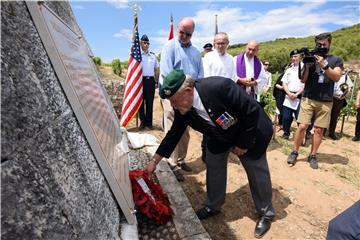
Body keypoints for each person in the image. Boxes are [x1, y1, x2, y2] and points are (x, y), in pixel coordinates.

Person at [146, 69, 275, 238]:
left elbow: (251, 111)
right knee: (213, 163)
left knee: (256, 170)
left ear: (188, 91)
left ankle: (266, 212)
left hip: (250, 131)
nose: (174, 106)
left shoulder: (219, 87)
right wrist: (155, 161)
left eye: (174, 101)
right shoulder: (182, 107)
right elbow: (174, 133)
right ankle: (213, 205)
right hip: (220, 135)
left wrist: (243, 144)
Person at [287, 32, 343, 169]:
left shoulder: (336, 60)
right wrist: (306, 65)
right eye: (319, 44)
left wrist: (324, 65)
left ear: (330, 43)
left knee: (318, 130)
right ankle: (295, 151)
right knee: (302, 126)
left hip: (326, 100)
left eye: (324, 44)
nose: (322, 46)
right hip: (308, 98)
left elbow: (336, 77)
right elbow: (303, 79)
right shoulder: (310, 59)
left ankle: (313, 155)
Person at [159, 17, 204, 181]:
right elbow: (166, 73)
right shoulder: (169, 47)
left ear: (192, 34)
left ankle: (181, 159)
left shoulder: (196, 52)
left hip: (189, 97)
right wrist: (180, 93)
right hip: (173, 96)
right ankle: (172, 164)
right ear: (177, 29)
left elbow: (200, 75)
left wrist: (192, 91)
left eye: (188, 34)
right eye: (182, 32)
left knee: (185, 130)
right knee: (172, 129)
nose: (184, 36)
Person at [201, 32, 237, 162]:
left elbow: (233, 78)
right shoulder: (208, 57)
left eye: (223, 43)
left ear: (227, 43)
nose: (220, 45)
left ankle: (223, 151)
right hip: (211, 97)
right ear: (214, 43)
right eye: (218, 43)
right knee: (209, 125)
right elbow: (205, 77)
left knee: (225, 124)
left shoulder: (231, 58)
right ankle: (205, 154)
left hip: (226, 98)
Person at [281, 50, 304, 139]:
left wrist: (297, 94)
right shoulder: (289, 70)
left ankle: (301, 136)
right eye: (292, 57)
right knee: (286, 117)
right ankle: (286, 133)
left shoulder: (304, 68)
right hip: (288, 96)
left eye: (296, 56)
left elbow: (305, 85)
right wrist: (289, 93)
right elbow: (284, 83)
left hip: (299, 97)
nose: (294, 58)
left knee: (300, 118)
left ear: (300, 57)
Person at [138, 34, 159, 130]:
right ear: (140, 43)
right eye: (144, 42)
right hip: (140, 82)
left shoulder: (153, 56)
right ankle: (142, 122)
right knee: (141, 103)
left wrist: (156, 81)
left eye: (147, 43)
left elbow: (156, 69)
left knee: (150, 103)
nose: (146, 44)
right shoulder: (137, 56)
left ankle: (149, 123)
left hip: (150, 81)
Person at [327, 71, 353, 140]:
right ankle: (322, 132)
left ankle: (331, 133)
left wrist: (344, 96)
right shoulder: (332, 74)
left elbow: (349, 87)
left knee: (334, 117)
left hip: (339, 100)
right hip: (330, 97)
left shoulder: (346, 77)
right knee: (326, 115)